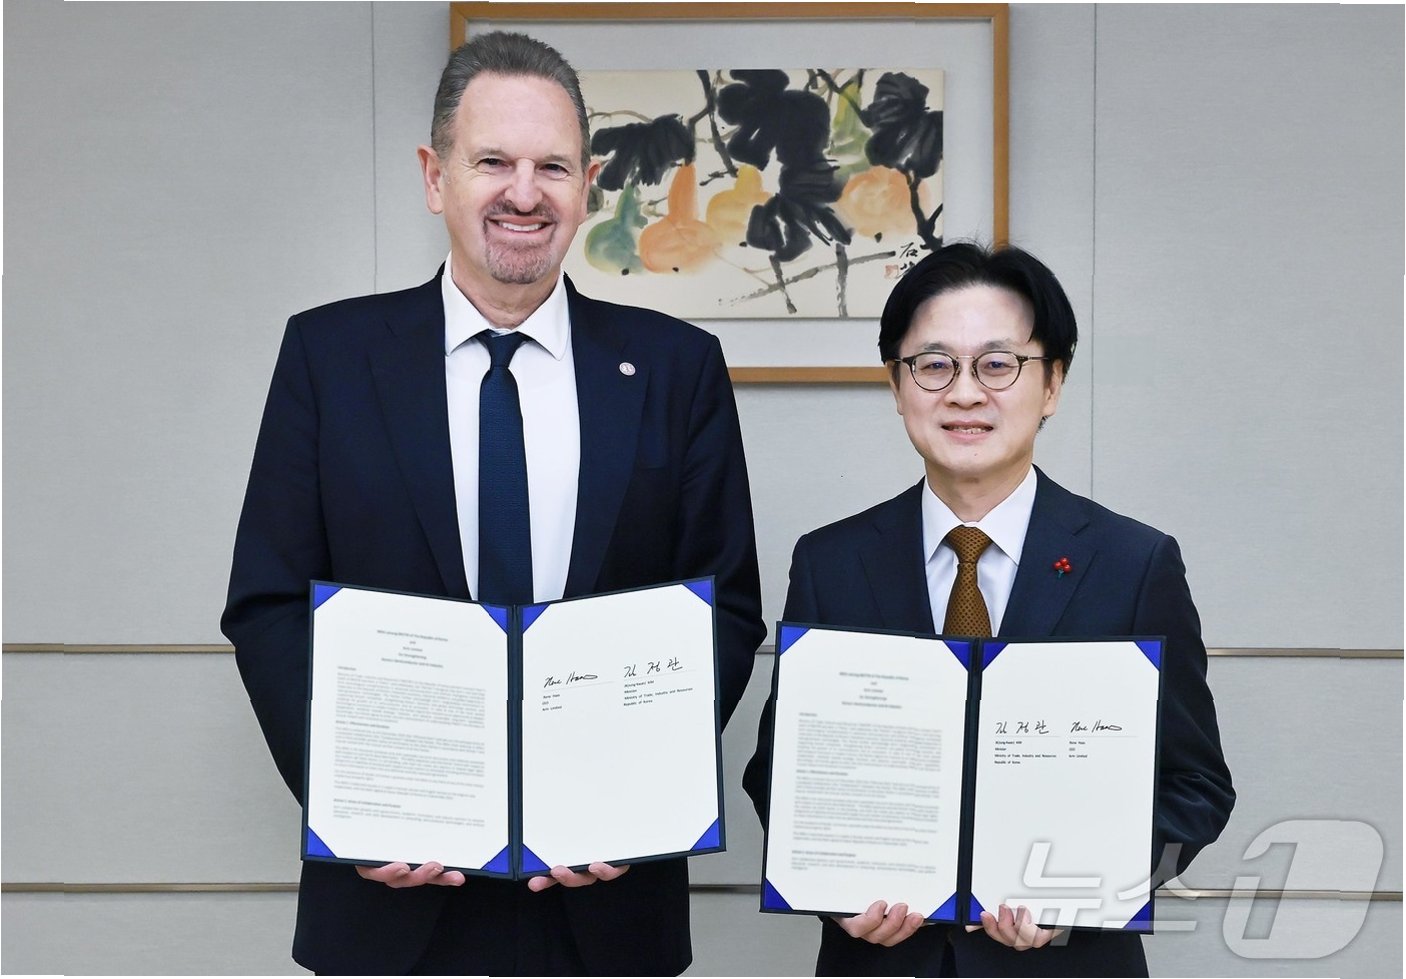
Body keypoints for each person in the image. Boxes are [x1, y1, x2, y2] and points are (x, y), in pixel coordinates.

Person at [222, 31, 764, 976]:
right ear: (436, 177)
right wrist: (352, 805)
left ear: (588, 184)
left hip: (606, 898)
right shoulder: (329, 357)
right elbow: (269, 603)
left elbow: (724, 607)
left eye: (552, 166)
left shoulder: (677, 368)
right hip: (390, 894)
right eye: (493, 162)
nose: (525, 193)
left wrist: (638, 800)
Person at [743, 242, 1234, 977]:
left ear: (1052, 384)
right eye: (934, 364)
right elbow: (780, 770)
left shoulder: (1134, 563)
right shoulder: (831, 561)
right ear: (897, 384)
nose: (965, 394)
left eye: (998, 364)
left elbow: (1196, 788)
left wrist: (1081, 892)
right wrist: (831, 889)